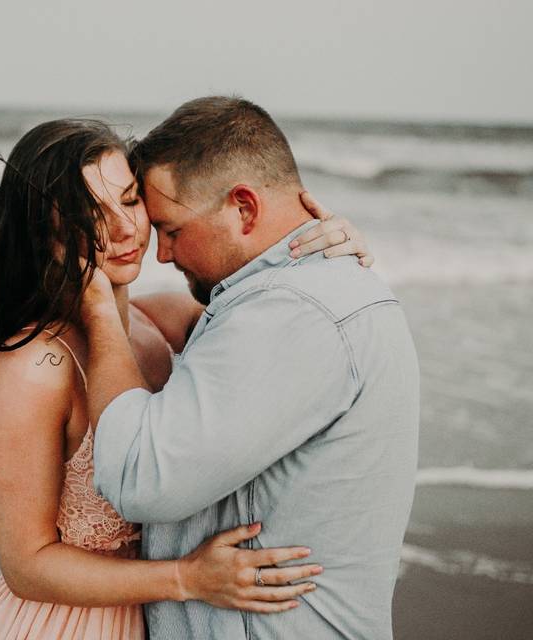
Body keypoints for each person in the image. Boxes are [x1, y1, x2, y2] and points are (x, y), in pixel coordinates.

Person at [0, 118, 372, 639]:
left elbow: (275, 315)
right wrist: (184, 578)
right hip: (67, 625)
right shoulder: (31, 369)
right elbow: (26, 565)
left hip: (167, 619)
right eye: (90, 216)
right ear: (45, 234)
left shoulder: (168, 321)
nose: (125, 230)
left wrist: (320, 244)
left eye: (129, 200)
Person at [80, 97, 419, 639]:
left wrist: (97, 306)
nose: (162, 255)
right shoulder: (294, 295)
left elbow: (139, 479)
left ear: (244, 208)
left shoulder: (292, 310)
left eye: (170, 229)